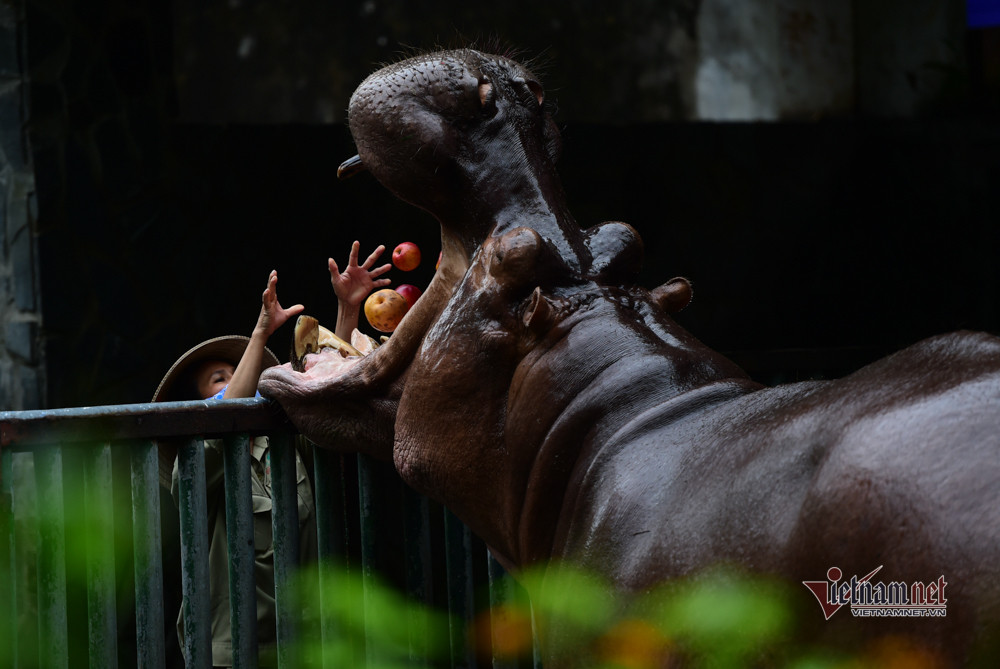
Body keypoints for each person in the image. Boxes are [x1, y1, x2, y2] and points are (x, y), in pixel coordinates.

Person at [153, 245, 388, 666]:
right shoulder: (197, 466)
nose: (237, 381)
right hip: (233, 653)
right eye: (218, 379)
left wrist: (348, 309)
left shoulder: (285, 447)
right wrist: (261, 333)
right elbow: (221, 421)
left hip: (305, 646)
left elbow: (328, 398)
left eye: (241, 371)